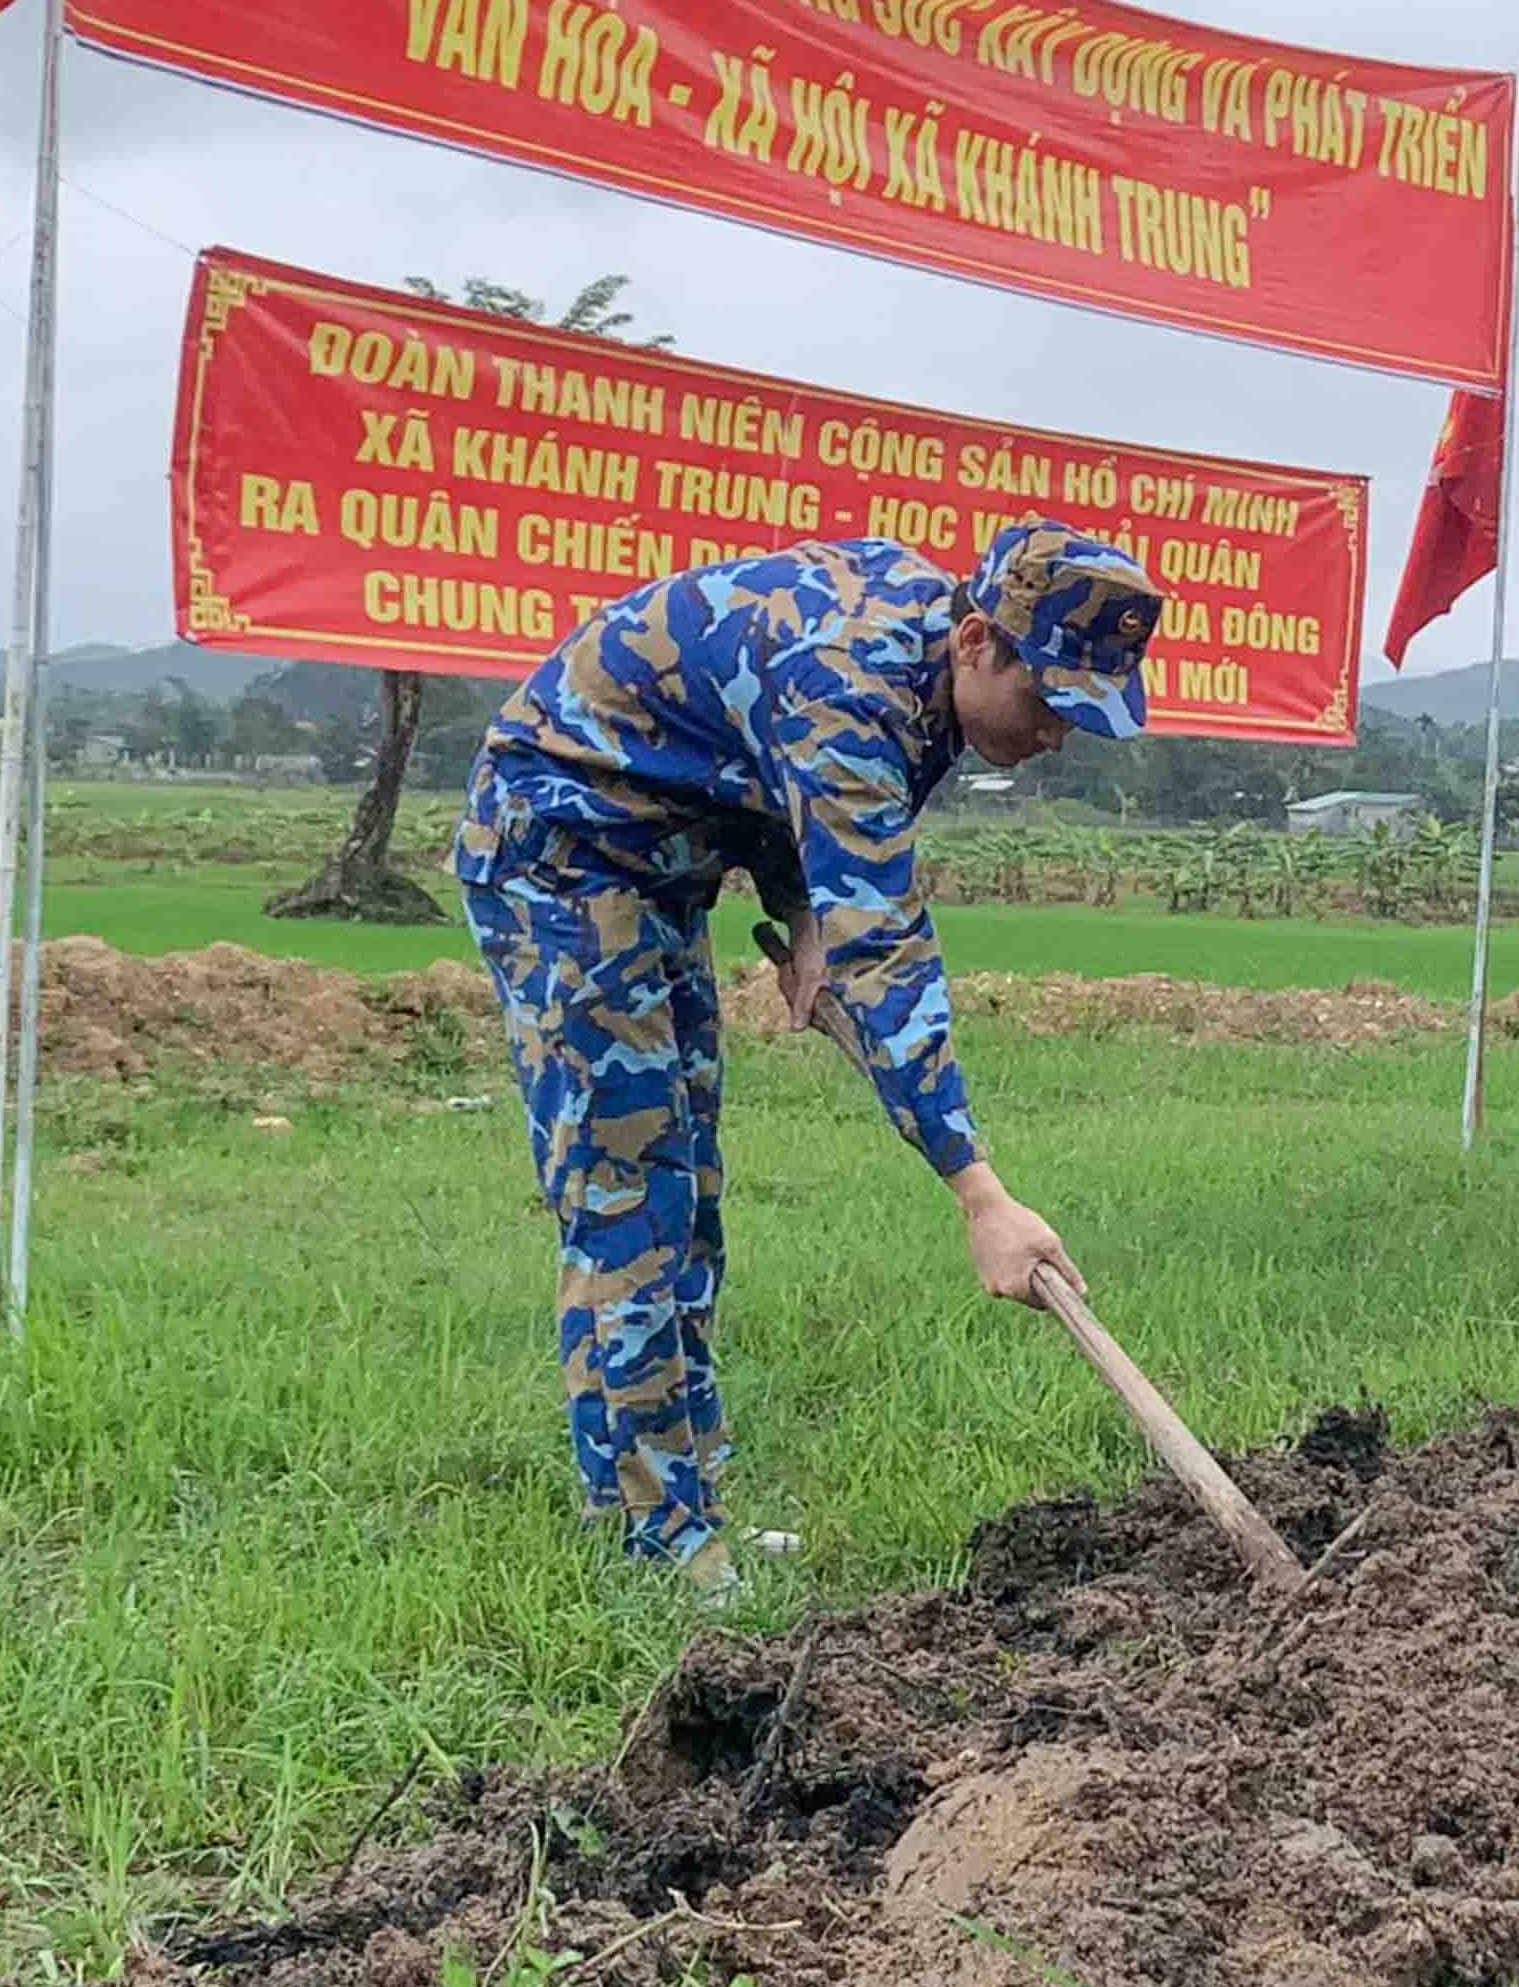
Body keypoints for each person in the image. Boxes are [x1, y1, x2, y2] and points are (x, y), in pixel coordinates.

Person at [452, 519, 1147, 1582]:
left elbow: (762, 770)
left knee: (688, 1189)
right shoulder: (851, 682)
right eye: (1048, 700)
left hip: (658, 864)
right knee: (630, 1202)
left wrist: (800, 916)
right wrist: (982, 1197)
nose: (1057, 734)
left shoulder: (916, 664)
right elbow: (892, 960)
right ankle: (655, 1546)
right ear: (976, 643)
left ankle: (683, 1505)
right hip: (564, 858)